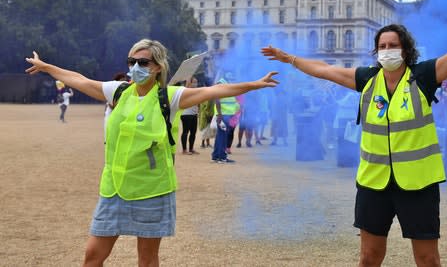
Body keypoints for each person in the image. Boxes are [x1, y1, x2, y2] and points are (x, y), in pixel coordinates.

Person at [262, 0, 447, 267]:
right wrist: (289, 58)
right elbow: (325, 70)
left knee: (428, 260)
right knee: (369, 258)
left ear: (405, 50)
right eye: (382, 46)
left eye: (393, 45)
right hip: (373, 183)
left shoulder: (424, 76)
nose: (387, 50)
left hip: (418, 184)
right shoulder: (367, 79)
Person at [25, 39, 278, 266]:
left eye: (142, 62)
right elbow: (80, 80)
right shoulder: (119, 91)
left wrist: (254, 85)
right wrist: (47, 67)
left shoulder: (169, 96)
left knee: (147, 260)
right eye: (131, 61)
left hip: (152, 189)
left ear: (157, 66)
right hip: (114, 188)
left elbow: (213, 92)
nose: (135, 67)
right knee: (93, 256)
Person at [180, 77, 200, 155]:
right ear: (189, 83)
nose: (196, 84)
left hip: (194, 114)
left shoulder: (196, 91)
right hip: (186, 114)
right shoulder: (186, 90)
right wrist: (189, 77)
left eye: (196, 82)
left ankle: (191, 149)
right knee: (185, 132)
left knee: (193, 132)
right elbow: (187, 85)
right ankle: (184, 150)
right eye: (194, 82)